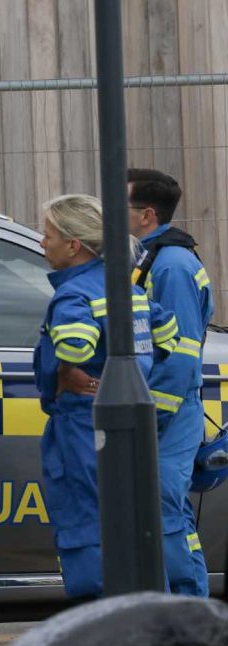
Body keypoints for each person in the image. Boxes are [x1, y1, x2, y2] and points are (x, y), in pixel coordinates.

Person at [34, 194, 178, 599]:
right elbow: (167, 334)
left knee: (88, 527)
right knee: (134, 528)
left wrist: (66, 370)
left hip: (84, 426)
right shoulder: (127, 289)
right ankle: (152, 619)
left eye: (48, 236)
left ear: (72, 245)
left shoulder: (74, 293)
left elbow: (75, 347)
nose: (42, 243)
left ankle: (106, 622)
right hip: (129, 424)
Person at [126, 168, 211, 596]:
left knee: (162, 512)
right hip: (161, 407)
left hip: (168, 411)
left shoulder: (172, 266)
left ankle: (188, 609)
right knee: (166, 512)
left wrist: (152, 416)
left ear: (147, 214)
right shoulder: (152, 258)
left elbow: (181, 354)